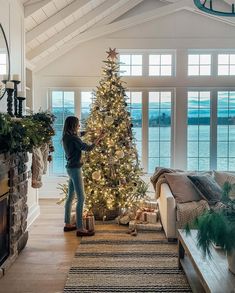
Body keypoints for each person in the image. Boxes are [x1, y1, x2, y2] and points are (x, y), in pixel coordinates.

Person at [62, 116, 104, 236]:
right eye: (77, 124)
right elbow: (88, 148)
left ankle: (67, 224)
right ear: (73, 126)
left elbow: (79, 135)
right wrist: (99, 138)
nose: (79, 126)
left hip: (69, 168)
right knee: (81, 198)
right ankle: (80, 228)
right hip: (75, 169)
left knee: (70, 197)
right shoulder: (74, 138)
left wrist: (89, 131)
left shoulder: (66, 137)